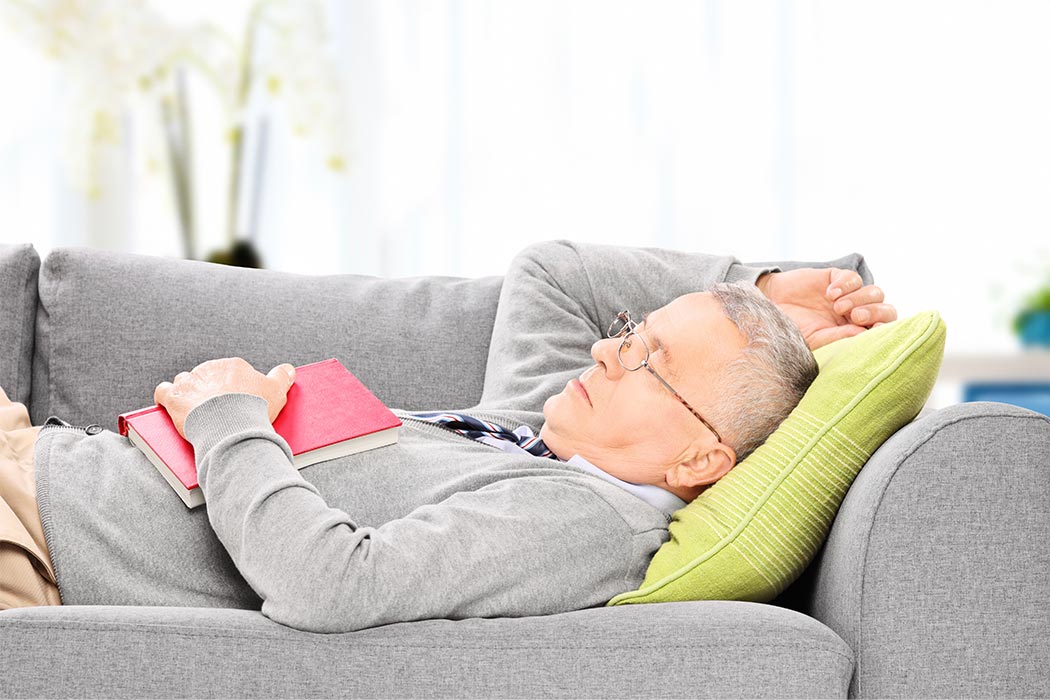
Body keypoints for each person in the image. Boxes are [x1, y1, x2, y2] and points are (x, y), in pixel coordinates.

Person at [0, 241, 895, 631]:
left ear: (703, 458)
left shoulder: (581, 520)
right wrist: (763, 289)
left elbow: (333, 585)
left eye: (645, 358)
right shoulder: (545, 431)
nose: (603, 350)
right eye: (629, 329)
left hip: (36, 532)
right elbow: (554, 270)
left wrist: (229, 419)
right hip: (39, 457)